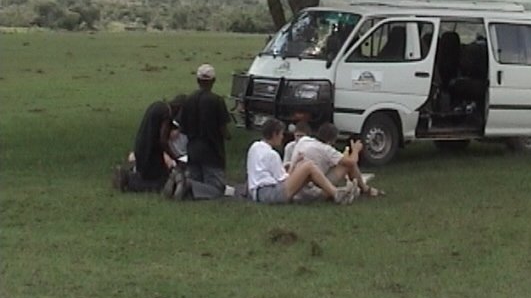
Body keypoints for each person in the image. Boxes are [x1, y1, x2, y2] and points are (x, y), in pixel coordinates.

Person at [247, 118, 358, 205]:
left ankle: (330, 192)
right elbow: (284, 180)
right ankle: (336, 194)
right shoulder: (272, 155)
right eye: (281, 134)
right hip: (270, 194)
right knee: (308, 166)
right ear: (274, 134)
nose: (282, 137)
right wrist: (294, 166)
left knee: (304, 167)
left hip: (256, 191)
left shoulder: (255, 147)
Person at [168, 63, 233, 200]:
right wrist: (228, 136)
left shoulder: (188, 100)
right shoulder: (217, 101)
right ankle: (188, 185)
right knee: (216, 189)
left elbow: (181, 127)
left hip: (193, 150)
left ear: (197, 81)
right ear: (213, 81)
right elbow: (223, 128)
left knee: (199, 182)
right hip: (212, 152)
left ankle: (181, 183)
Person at [113, 95, 186, 192]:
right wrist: (174, 157)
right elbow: (163, 139)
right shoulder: (166, 112)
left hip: (141, 147)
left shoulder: (158, 105)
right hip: (150, 153)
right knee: (160, 183)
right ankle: (128, 181)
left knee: (148, 175)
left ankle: (129, 176)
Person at [290, 122, 384, 198]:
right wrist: (356, 150)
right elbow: (351, 162)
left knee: (341, 163)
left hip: (294, 184)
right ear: (332, 140)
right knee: (348, 164)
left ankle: (361, 189)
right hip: (313, 187)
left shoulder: (304, 140)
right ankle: (365, 190)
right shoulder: (326, 149)